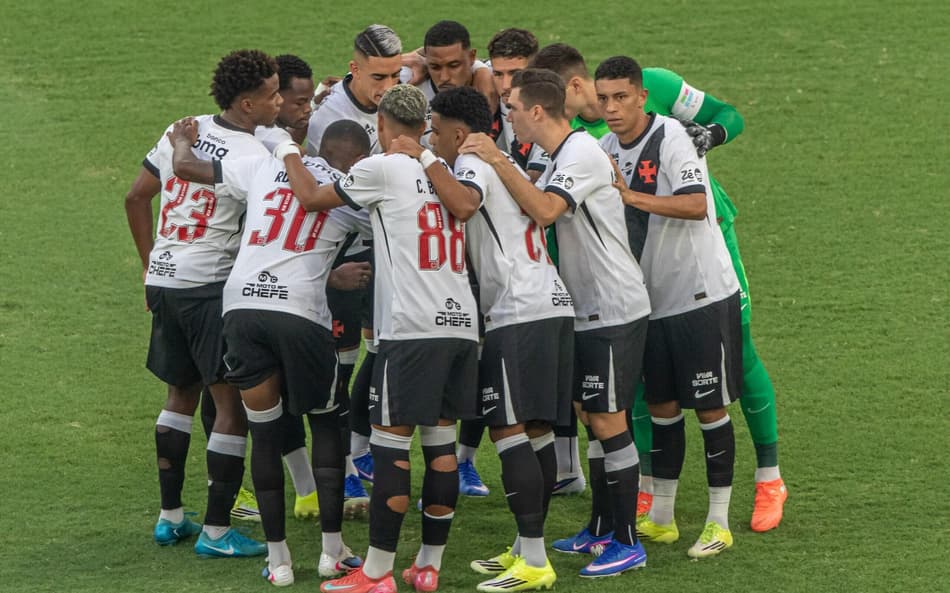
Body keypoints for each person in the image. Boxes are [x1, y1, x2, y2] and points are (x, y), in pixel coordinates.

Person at [532, 43, 787, 531]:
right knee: (650, 383)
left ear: (573, 86)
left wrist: (709, 135)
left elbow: (728, 115)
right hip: (642, 266)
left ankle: (769, 479)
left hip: (709, 248)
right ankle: (652, 494)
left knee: (741, 355)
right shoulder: (585, 142)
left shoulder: (659, 90)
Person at [282, 84, 480, 593]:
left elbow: (310, 198)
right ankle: (428, 566)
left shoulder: (382, 168)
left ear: (384, 127)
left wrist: (284, 148)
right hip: (460, 324)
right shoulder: (445, 172)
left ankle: (376, 575)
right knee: (440, 446)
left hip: (410, 329)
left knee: (391, 444)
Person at [460, 69, 650, 578]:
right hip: (581, 306)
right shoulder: (558, 157)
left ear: (537, 111)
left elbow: (544, 211)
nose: (508, 116)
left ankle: (628, 541)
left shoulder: (582, 153)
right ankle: (599, 529)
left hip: (613, 304)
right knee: (590, 414)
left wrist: (497, 160)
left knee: (609, 419)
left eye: (513, 107)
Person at [167, 117, 370, 586]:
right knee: (324, 423)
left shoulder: (262, 166)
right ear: (359, 159)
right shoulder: (352, 189)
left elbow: (188, 168)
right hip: (300, 312)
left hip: (240, 307)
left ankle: (279, 562)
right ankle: (331, 551)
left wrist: (180, 139)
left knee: (265, 433)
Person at [395, 86, 570, 591]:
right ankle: (524, 549)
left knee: (508, 429)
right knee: (535, 429)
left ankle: (535, 562)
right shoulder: (497, 160)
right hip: (546, 304)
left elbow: (465, 206)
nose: (429, 136)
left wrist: (424, 157)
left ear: (455, 132)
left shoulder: (470, 161)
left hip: (519, 311)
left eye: (433, 129)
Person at [123, 49, 280, 559]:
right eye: (273, 94)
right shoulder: (252, 156)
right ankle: (216, 532)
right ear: (248, 103)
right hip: (210, 286)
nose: (280, 101)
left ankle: (170, 518)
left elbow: (136, 196)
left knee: (179, 396)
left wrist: (152, 267)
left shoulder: (180, 130)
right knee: (229, 406)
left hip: (167, 282)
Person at [596, 55, 742, 559]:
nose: (611, 108)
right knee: (660, 407)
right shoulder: (605, 146)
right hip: (651, 299)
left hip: (699, 292)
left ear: (640, 95)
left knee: (709, 406)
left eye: (620, 97)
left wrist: (631, 197)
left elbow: (695, 203)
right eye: (604, 99)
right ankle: (662, 518)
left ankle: (718, 522)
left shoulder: (672, 137)